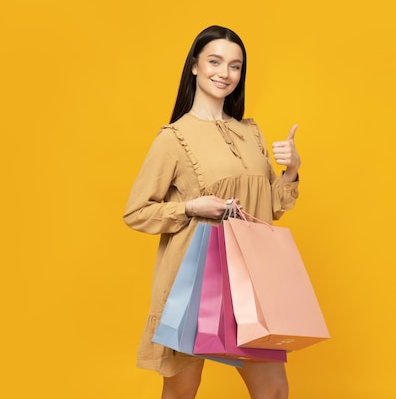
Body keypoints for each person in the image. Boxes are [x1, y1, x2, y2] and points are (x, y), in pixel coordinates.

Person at [123, 25, 301, 399]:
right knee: (182, 391)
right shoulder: (174, 138)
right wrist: (190, 207)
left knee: (273, 390)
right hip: (194, 279)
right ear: (194, 67)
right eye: (215, 62)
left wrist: (291, 171)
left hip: (251, 279)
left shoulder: (250, 134)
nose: (225, 73)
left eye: (235, 66)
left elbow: (270, 208)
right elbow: (137, 211)